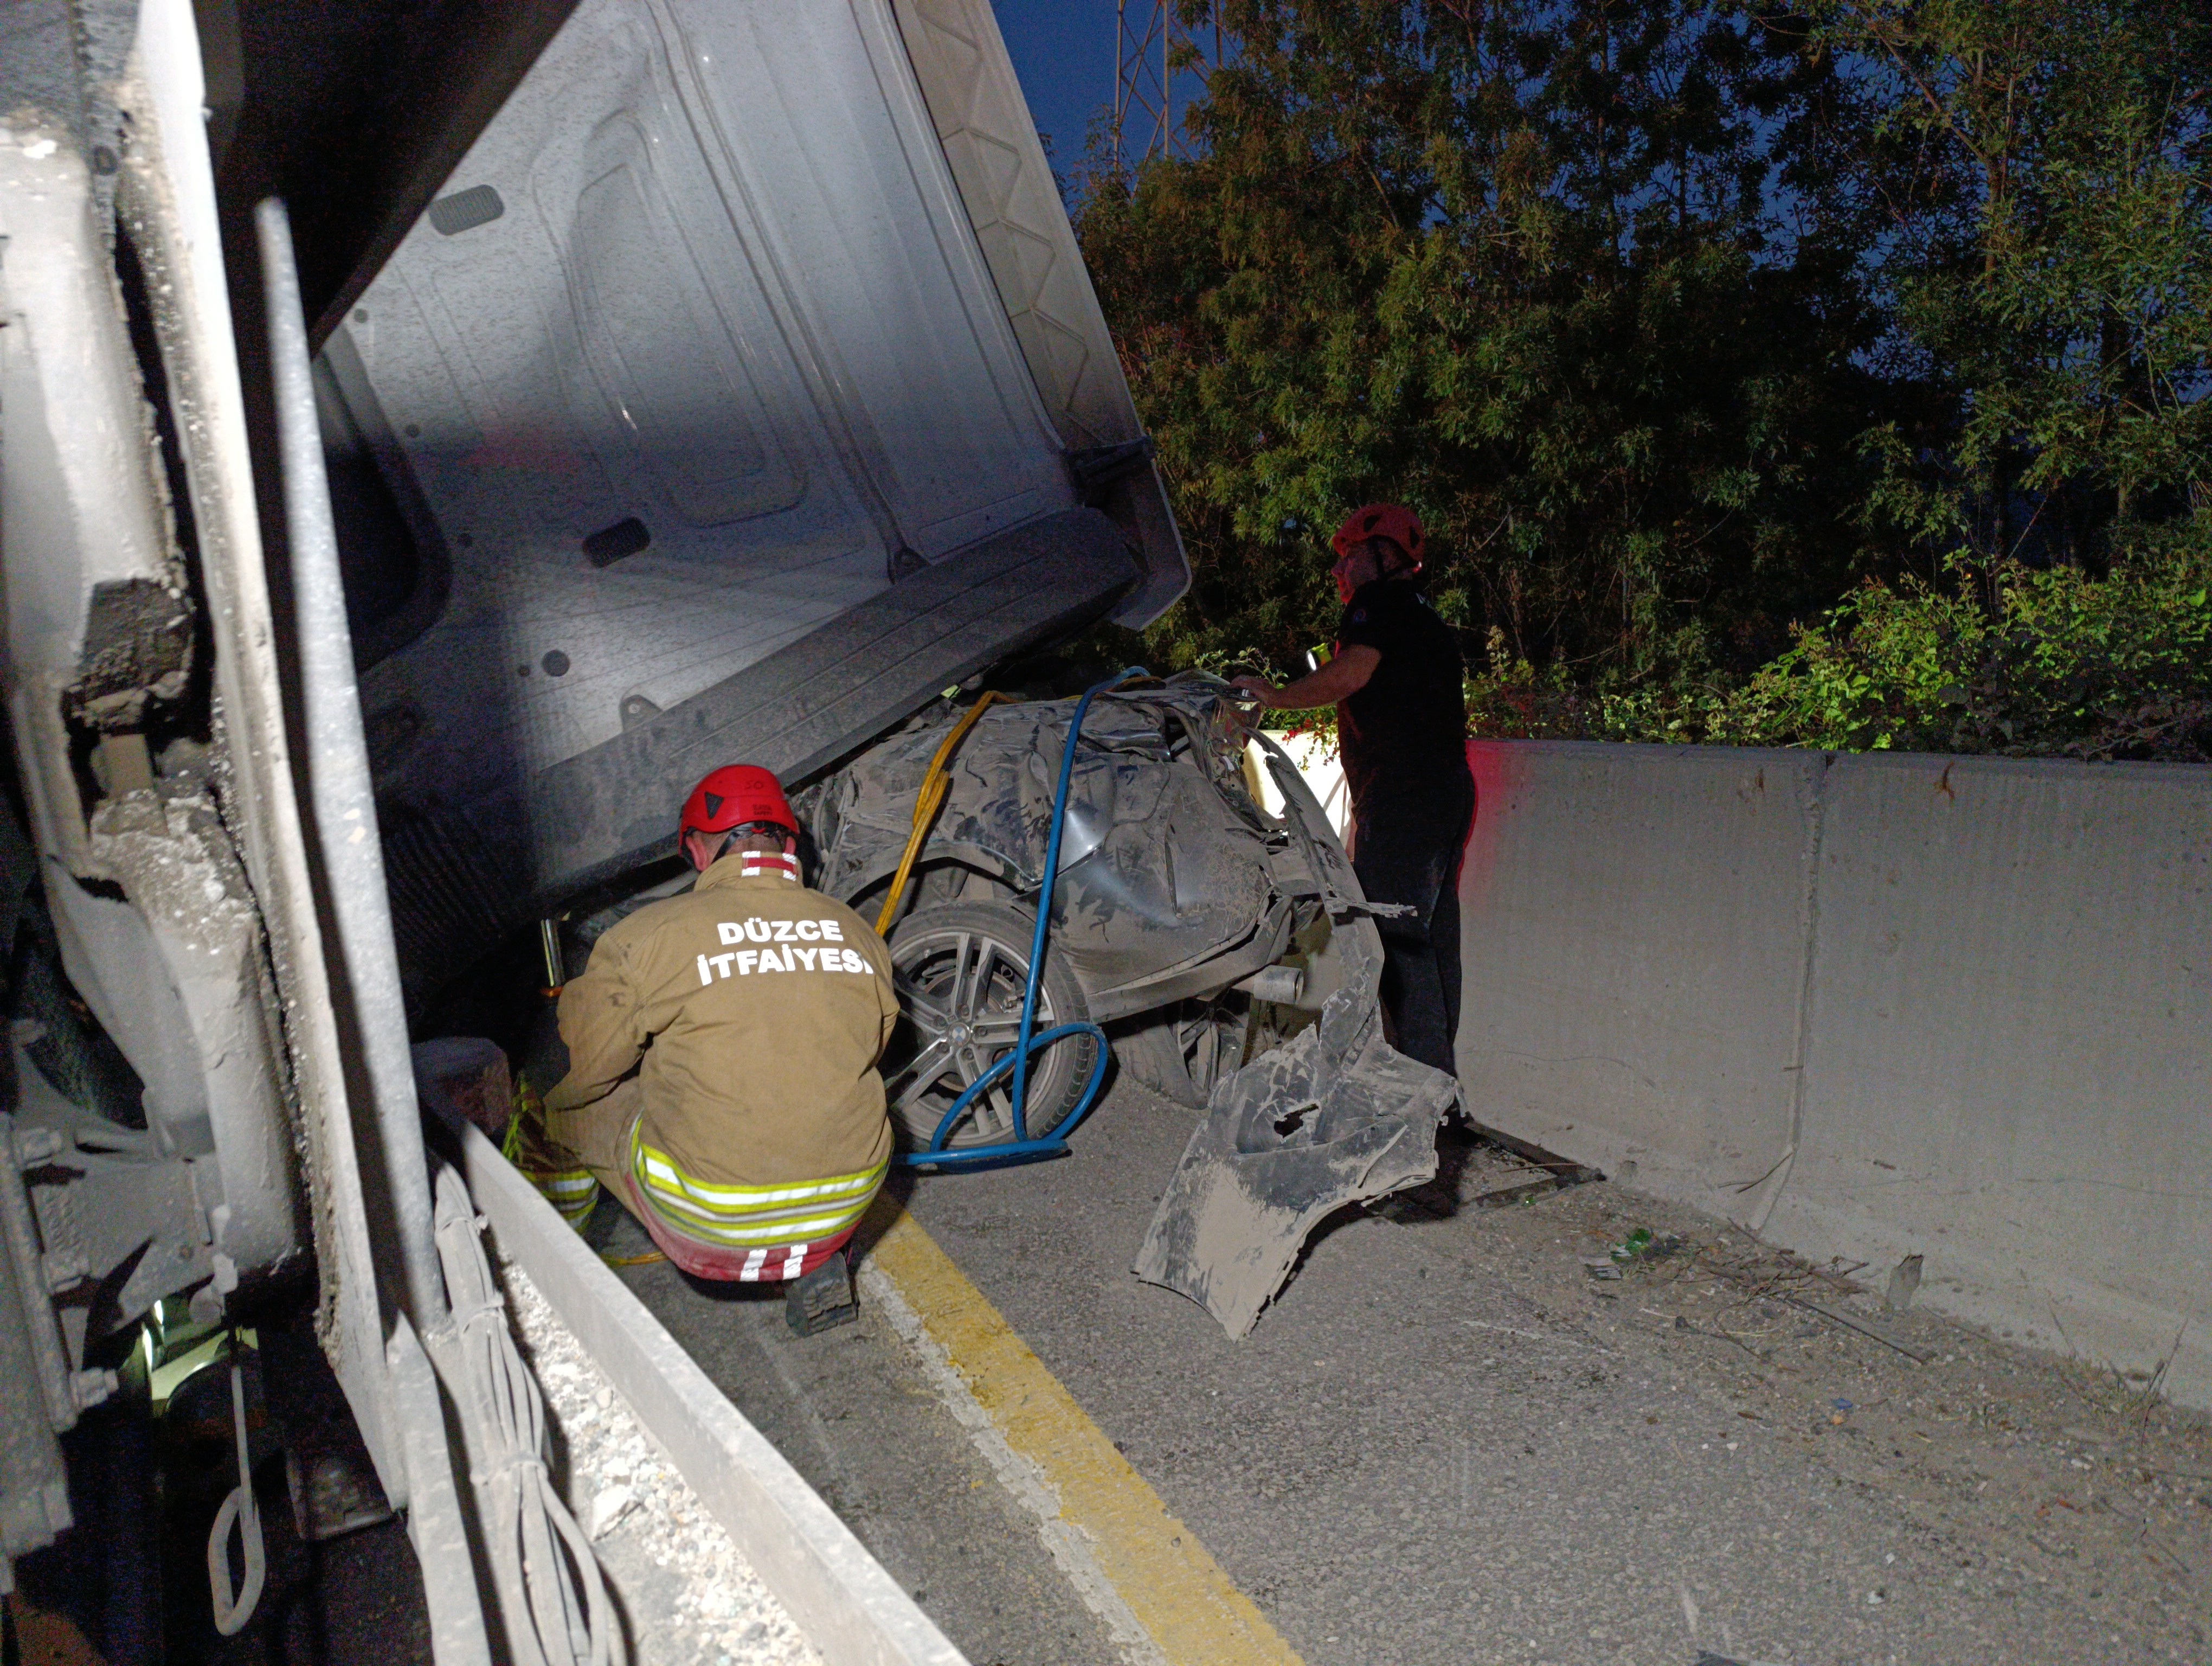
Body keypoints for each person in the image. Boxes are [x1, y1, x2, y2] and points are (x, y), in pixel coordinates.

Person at [520, 765, 898, 1334]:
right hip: (845, 1206)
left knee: (557, 1101)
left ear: (698, 850)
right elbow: (871, 1045)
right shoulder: (855, 930)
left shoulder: (646, 935)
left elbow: (589, 1071)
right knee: (809, 1076)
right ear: (789, 844)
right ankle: (815, 1263)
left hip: (710, 1218)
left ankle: (550, 1280)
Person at [1231, 503, 1474, 1079]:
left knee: (1391, 938)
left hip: (1403, 797)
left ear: (1381, 556)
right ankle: (1437, 1082)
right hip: (1446, 792)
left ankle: (1416, 1093)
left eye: (1347, 558)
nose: (1340, 573)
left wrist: (1273, 696)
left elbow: (1353, 672)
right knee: (1433, 943)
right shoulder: (1427, 619)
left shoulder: (1377, 605)